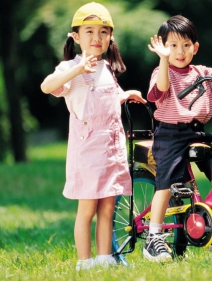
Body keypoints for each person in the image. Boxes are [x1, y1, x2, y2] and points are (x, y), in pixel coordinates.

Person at [40, 2, 146, 270]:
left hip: (111, 150)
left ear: (110, 37)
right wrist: (77, 70)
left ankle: (104, 258)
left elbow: (107, 100)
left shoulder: (107, 68)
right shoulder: (70, 67)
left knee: (108, 209)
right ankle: (85, 262)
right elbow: (46, 86)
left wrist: (126, 95)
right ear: (76, 37)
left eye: (103, 32)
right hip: (87, 151)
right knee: (87, 210)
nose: (96, 38)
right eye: (89, 31)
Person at [145, 15, 212, 263]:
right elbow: (158, 90)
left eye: (186, 45)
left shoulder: (203, 73)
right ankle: (154, 236)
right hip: (170, 135)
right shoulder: (162, 72)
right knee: (166, 184)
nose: (180, 52)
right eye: (172, 46)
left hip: (197, 133)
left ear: (195, 47)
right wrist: (162, 60)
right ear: (163, 47)